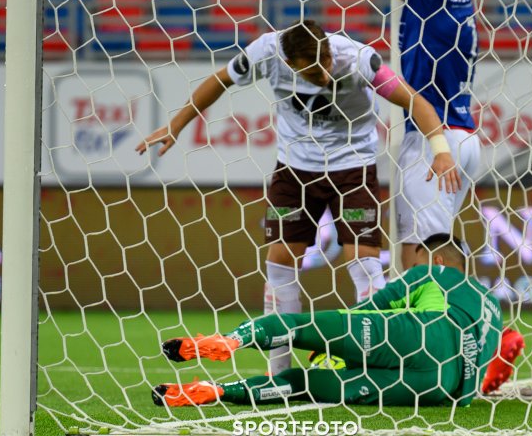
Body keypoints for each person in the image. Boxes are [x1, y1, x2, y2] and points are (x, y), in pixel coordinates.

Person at [137, 20, 461, 374]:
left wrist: (440, 149)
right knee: (280, 262)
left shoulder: (357, 59)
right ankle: (279, 370)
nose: (324, 71)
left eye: (326, 60)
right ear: (290, 63)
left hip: (353, 168)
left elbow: (414, 100)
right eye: (313, 68)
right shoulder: (264, 53)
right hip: (294, 170)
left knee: (365, 262)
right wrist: (176, 124)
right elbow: (219, 80)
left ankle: (376, 365)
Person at [151, 234, 524, 408]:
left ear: (437, 261)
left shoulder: (435, 274)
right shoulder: (493, 305)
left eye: (417, 261)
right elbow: (471, 383)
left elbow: (375, 306)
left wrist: (332, 341)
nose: (413, 267)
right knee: (309, 387)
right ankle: (218, 392)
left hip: (422, 334)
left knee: (298, 326)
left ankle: (228, 341)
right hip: (439, 387)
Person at [330, 0, 482, 269]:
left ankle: (451, 321)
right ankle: (447, 320)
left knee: (423, 258)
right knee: (429, 248)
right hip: (461, 134)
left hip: (436, 139)